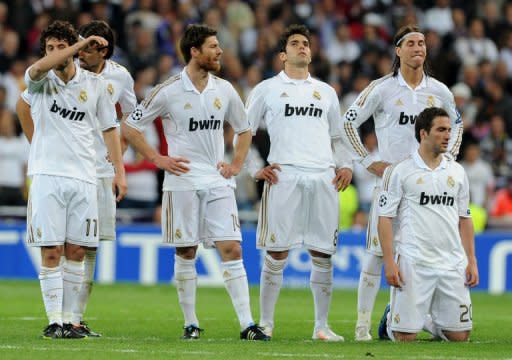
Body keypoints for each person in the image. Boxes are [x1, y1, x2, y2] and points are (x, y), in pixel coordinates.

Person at [122, 24, 269, 341]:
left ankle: (247, 324)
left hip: (218, 181)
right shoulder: (168, 90)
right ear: (194, 51)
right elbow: (130, 127)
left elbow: (244, 129)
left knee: (231, 247)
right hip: (182, 183)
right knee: (186, 251)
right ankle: (191, 322)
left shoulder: (225, 89)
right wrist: (157, 158)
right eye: (214, 46)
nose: (220, 52)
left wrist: (237, 164)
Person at [341, 24, 463, 341]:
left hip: (429, 189)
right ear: (398, 50)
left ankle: (423, 318)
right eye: (411, 43)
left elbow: (458, 124)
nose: (418, 47)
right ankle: (362, 327)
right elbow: (348, 122)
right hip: (393, 183)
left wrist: (449, 160)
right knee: (376, 254)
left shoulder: (439, 91)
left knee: (429, 254)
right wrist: (369, 161)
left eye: (422, 42)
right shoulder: (381, 89)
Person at [17, 20, 137, 337]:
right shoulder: (41, 81)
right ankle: (54, 320)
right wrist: (76, 46)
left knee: (78, 251)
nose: (56, 54)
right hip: (47, 177)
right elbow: (31, 82)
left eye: (61, 47)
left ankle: (71, 321)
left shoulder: (95, 86)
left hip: (84, 176)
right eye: (51, 48)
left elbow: (110, 128)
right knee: (52, 250)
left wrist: (119, 172)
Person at [245, 24, 352, 342]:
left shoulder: (327, 92)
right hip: (284, 175)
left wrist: (345, 165)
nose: (302, 47)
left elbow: (338, 136)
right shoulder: (266, 89)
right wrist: (255, 168)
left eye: (306, 43)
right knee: (276, 253)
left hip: (323, 176)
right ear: (282, 55)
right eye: (295, 43)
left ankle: (322, 326)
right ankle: (265, 323)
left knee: (322, 254)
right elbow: (244, 132)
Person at [377, 107, 478, 342]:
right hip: (415, 260)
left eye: (449, 130)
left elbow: (465, 218)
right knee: (404, 338)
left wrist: (471, 260)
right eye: (441, 130)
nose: (447, 136)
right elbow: (385, 218)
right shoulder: (400, 171)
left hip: (451, 261)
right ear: (423, 133)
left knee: (460, 336)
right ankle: (393, 317)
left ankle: (422, 319)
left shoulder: (457, 172)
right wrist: (390, 262)